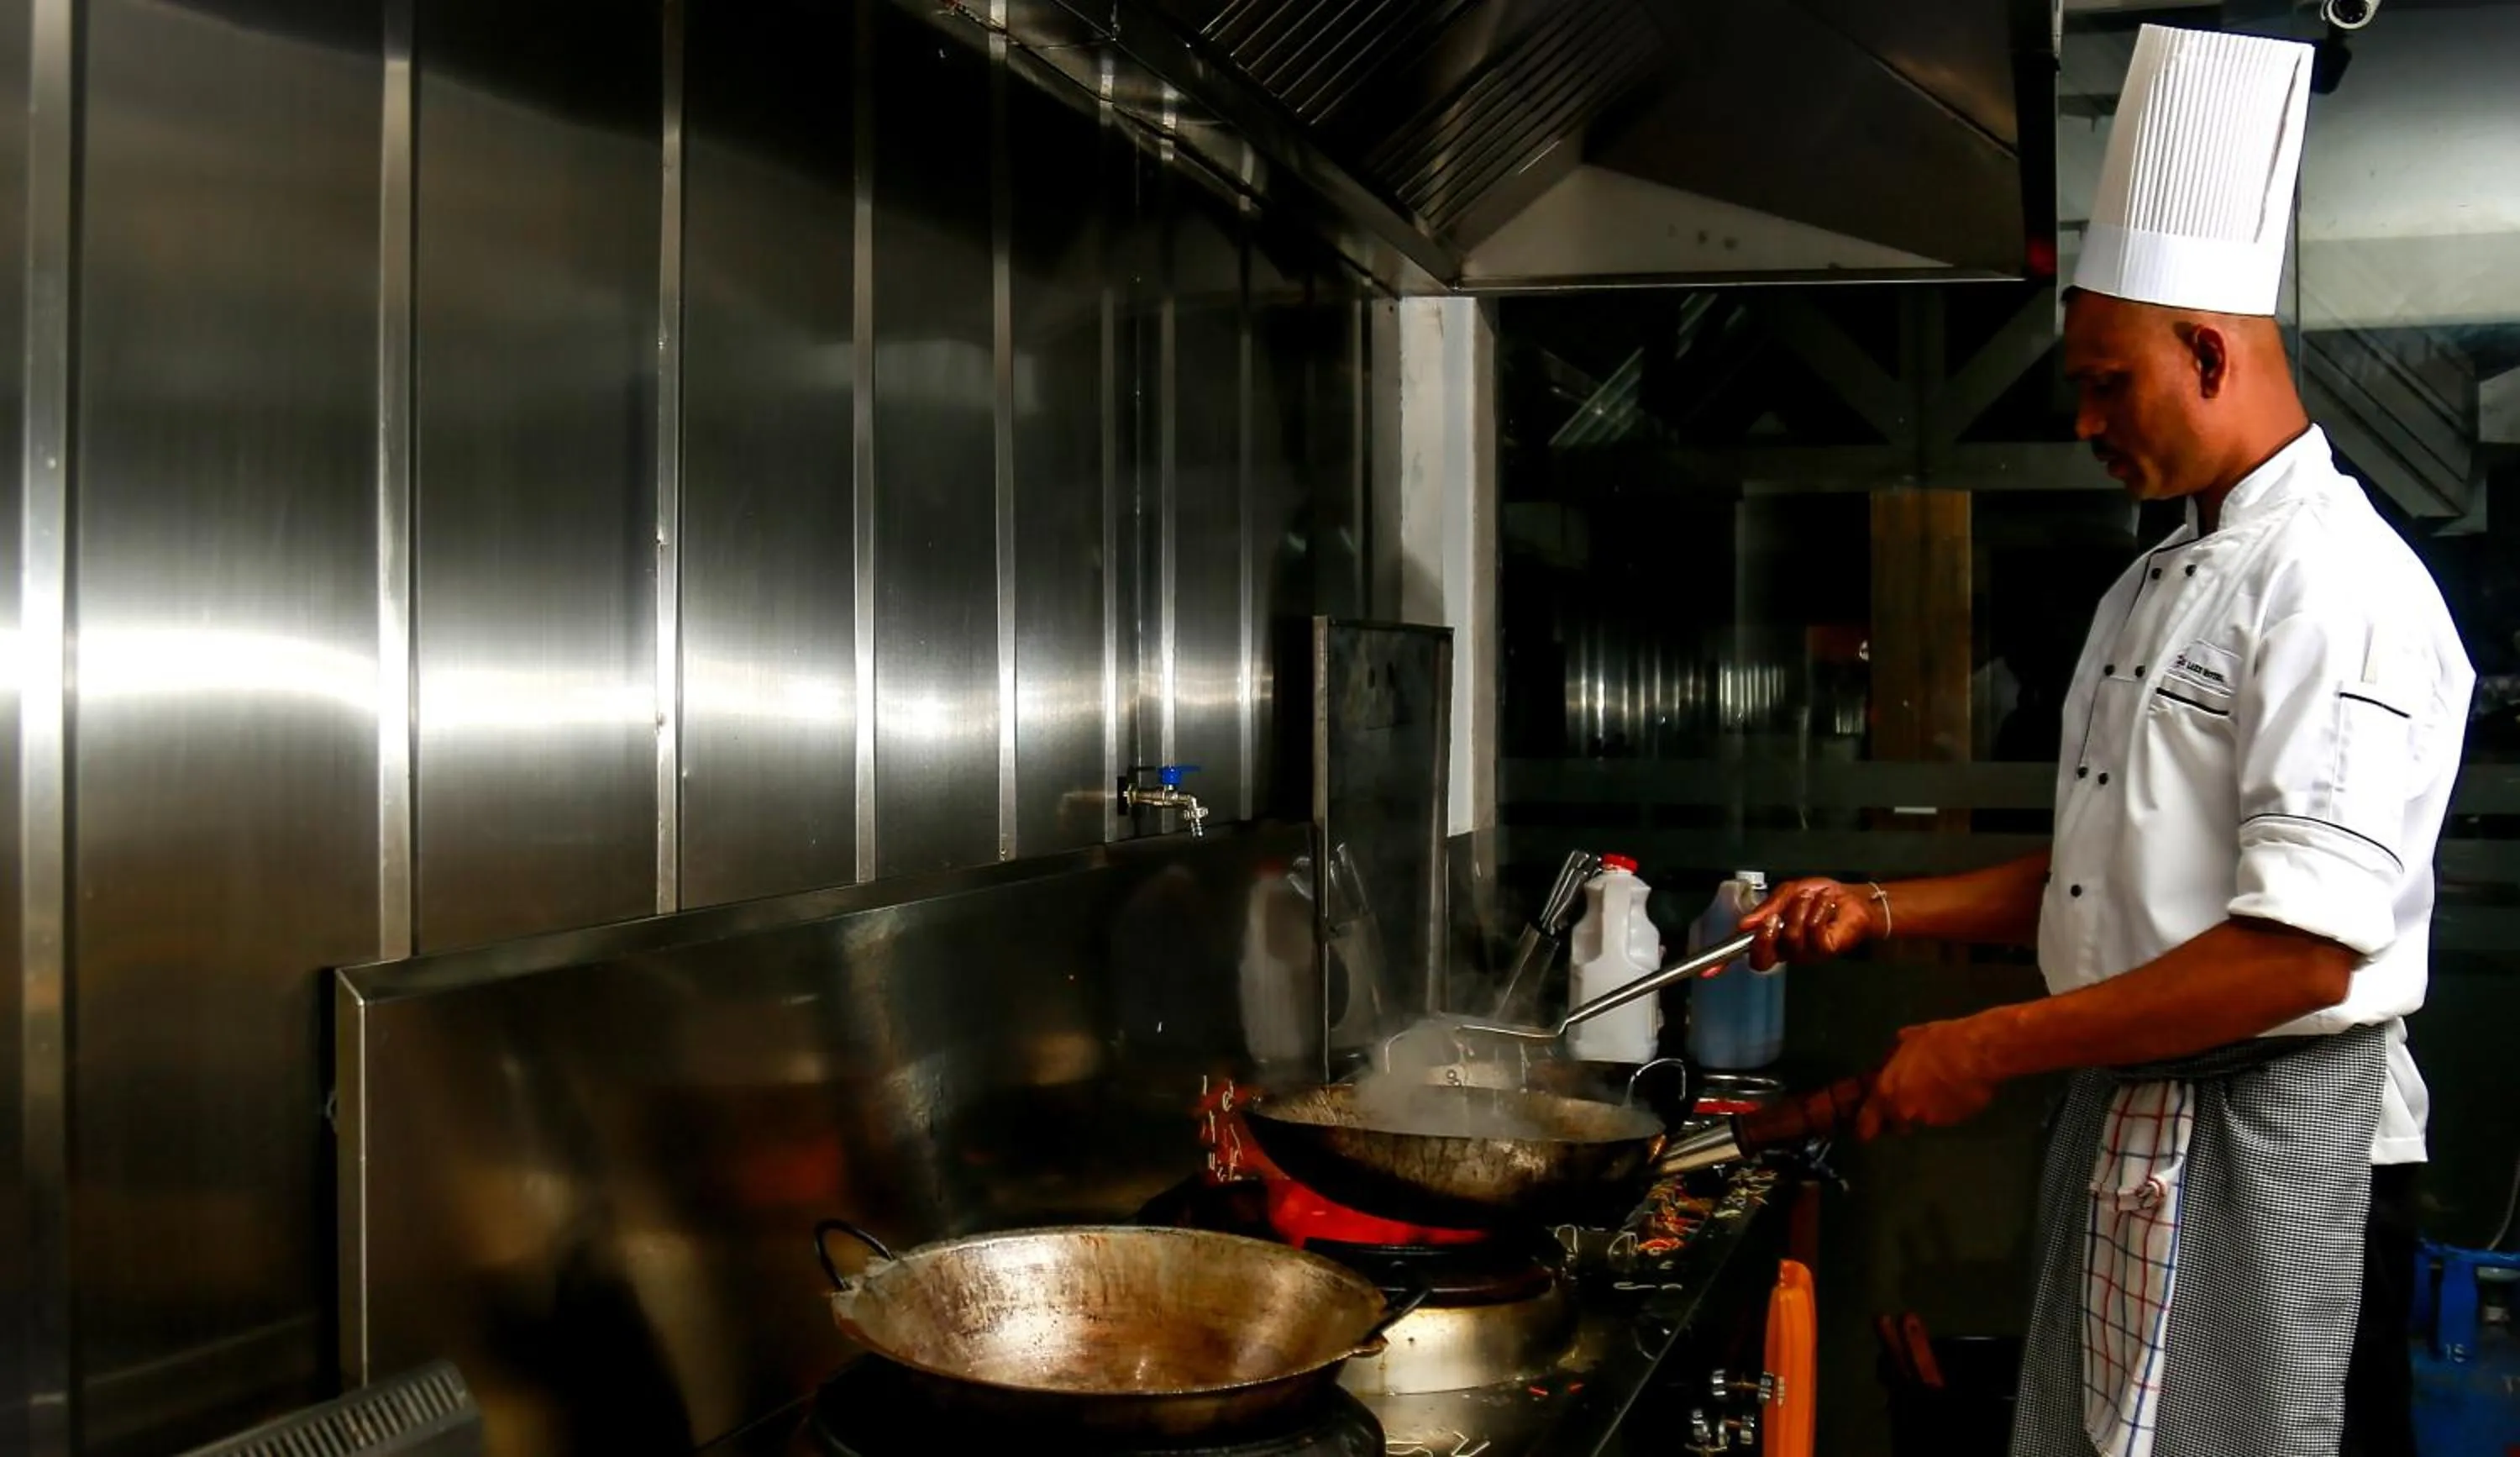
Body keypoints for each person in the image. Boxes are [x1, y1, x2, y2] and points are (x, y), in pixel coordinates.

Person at [1740, 25, 2472, 1457]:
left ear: (2209, 350)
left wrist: (1992, 1044)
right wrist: (1884, 910)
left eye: (2103, 382)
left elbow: (2299, 950)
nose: (2081, 421)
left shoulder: (2342, 587)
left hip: (2275, 1156)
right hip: (2142, 1126)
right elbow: (2114, 873)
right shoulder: (2156, 581)